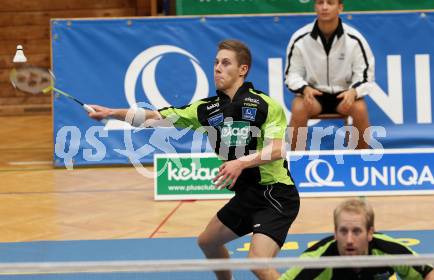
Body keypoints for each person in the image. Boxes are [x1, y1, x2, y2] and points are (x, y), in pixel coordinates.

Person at [88, 39, 300, 280]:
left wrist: (240, 163)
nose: (218, 68)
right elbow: (154, 117)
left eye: (226, 63)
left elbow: (277, 150)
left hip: (275, 194)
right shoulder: (205, 109)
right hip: (247, 197)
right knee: (208, 242)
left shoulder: (265, 105)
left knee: (258, 263)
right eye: (216, 62)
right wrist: (110, 113)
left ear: (243, 69)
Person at [285, 0, 374, 150]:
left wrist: (353, 92)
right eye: (320, 3)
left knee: (360, 108)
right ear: (315, 7)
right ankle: (296, 160)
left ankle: (360, 160)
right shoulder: (300, 38)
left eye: (330, 3)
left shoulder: (355, 39)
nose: (324, 7)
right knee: (299, 107)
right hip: (314, 96)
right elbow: (291, 75)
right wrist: (304, 89)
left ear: (340, 7)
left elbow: (365, 75)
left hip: (344, 96)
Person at [280, 199, 434, 280]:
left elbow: (428, 272)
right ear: (335, 233)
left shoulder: (388, 250)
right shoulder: (317, 260)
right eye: (343, 231)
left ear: (370, 233)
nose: (349, 240)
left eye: (356, 231)